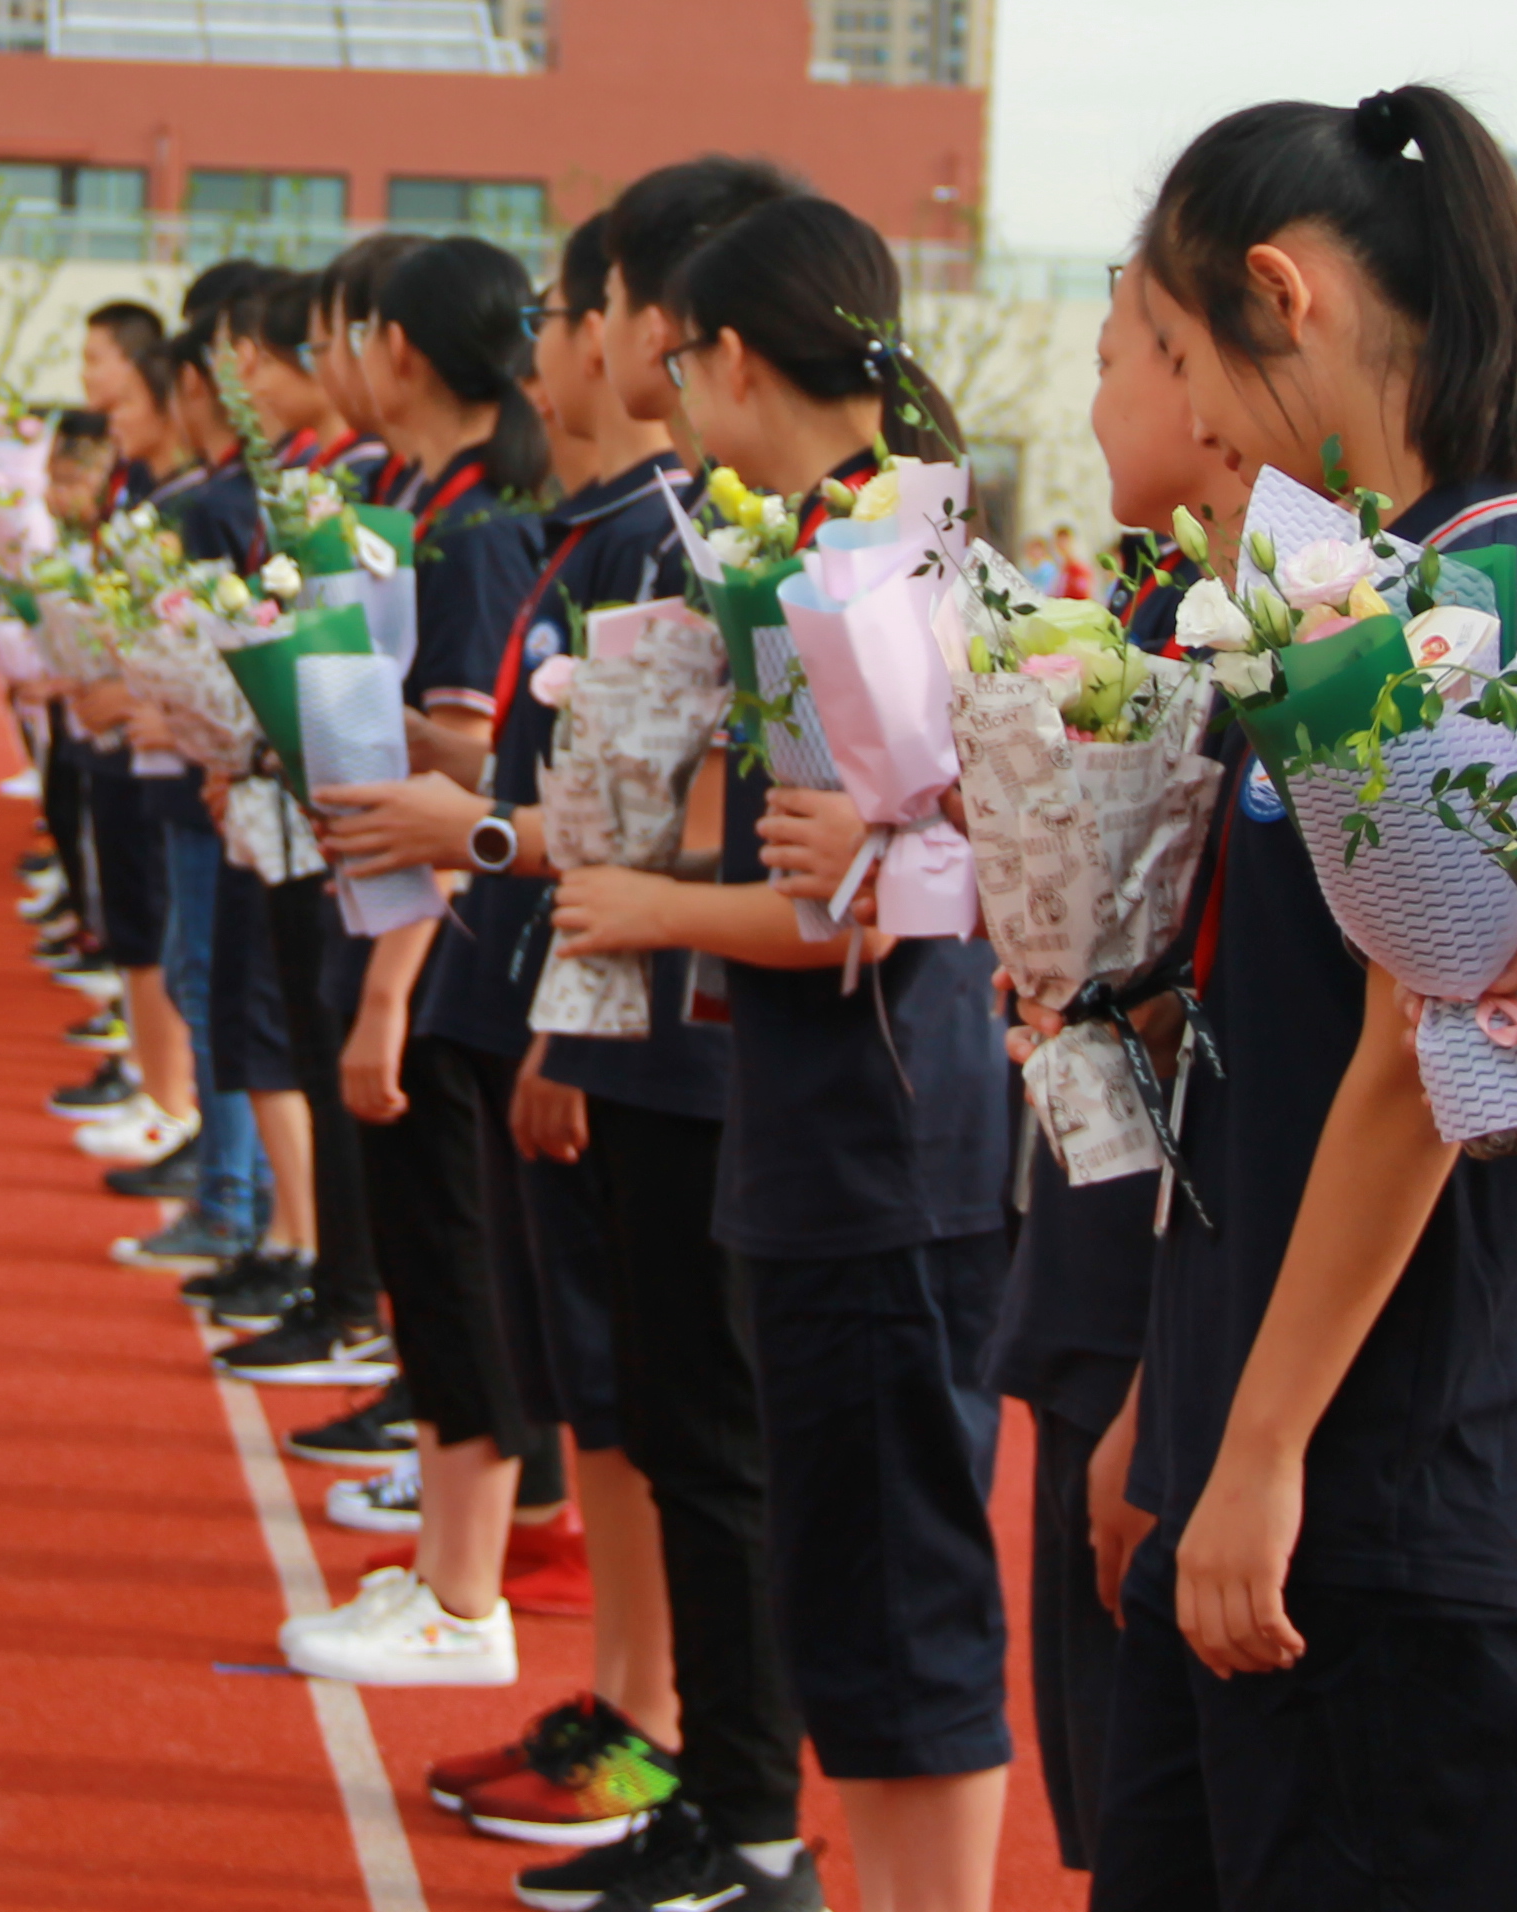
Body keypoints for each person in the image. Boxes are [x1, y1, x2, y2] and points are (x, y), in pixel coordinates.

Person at [1099, 85, 1517, 1912]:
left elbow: (1432, 1054)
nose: (1189, 411)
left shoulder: (1474, 605)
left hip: (1379, 1486)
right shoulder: (1355, 594)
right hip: (1283, 1451)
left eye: (1180, 348)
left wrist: (1253, 1446)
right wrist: (1170, 1410)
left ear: (1280, 296)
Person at [555, 191, 1008, 1912]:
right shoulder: (843, 540)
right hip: (833, 1140)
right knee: (853, 1596)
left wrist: (643, 904)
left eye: (678, 359)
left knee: (900, 1602)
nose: (666, 396)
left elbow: (853, 899)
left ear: (733, 355)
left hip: (881, 1145)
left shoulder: (867, 559)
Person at [995, 266, 1251, 1912]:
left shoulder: (1327, 640)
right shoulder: (1162, 621)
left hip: (1186, 1333)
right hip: (1105, 1264)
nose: (1095, 402)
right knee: (1120, 1810)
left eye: (1112, 362)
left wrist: (1171, 1401)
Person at [284, 235, 559, 1688]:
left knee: (462, 1274)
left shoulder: (477, 533)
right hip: (400, 922)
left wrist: (392, 991)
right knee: (435, 1272)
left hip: (448, 943)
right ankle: (446, 1573)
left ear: (398, 349)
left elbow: (472, 767)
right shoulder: (411, 507)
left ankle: (468, 1594)